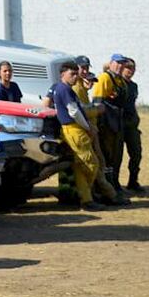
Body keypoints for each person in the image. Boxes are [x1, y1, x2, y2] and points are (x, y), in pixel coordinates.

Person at [51, 60, 112, 213]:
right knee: (91, 164)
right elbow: (74, 112)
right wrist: (87, 126)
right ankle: (85, 197)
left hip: (72, 129)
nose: (75, 77)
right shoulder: (65, 90)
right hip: (74, 130)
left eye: (76, 74)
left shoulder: (63, 89)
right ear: (62, 74)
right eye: (72, 74)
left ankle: (86, 198)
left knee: (81, 166)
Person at [90, 54, 128, 195]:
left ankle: (114, 183)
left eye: (122, 64)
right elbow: (97, 102)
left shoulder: (120, 80)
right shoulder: (105, 78)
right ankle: (105, 187)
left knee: (115, 156)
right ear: (111, 63)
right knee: (106, 155)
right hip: (106, 123)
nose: (120, 66)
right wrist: (99, 124)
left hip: (117, 122)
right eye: (118, 63)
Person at [118, 58, 144, 194]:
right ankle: (114, 183)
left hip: (132, 124)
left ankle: (133, 181)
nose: (130, 71)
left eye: (132, 69)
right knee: (117, 156)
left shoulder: (133, 86)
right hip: (118, 124)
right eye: (128, 68)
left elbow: (132, 104)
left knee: (136, 154)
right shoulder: (116, 84)